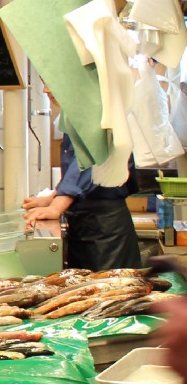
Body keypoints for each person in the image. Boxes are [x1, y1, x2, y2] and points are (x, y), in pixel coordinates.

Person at [21, 90, 141, 270]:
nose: (45, 89)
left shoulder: (94, 109)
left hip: (104, 228)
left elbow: (89, 161)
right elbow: (75, 164)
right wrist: (54, 196)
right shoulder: (74, 113)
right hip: (84, 222)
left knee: (110, 293)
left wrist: (57, 205)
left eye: (52, 80)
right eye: (44, 81)